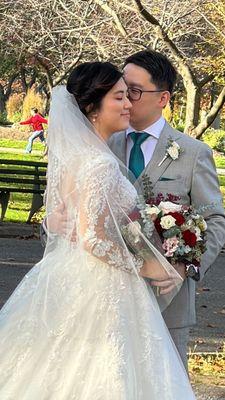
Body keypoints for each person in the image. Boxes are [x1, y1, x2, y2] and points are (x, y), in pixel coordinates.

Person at [0, 62, 196, 399]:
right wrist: (146, 265)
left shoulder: (75, 156)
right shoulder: (101, 162)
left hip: (68, 276)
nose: (128, 105)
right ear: (92, 106)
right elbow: (91, 238)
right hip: (103, 284)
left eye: (129, 96)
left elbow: (68, 222)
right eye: (119, 97)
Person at [108, 50, 225, 369]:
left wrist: (185, 268)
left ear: (163, 98)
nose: (127, 100)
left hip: (168, 302)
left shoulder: (193, 153)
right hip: (107, 297)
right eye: (122, 89)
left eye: (135, 90)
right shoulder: (103, 144)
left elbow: (214, 221)